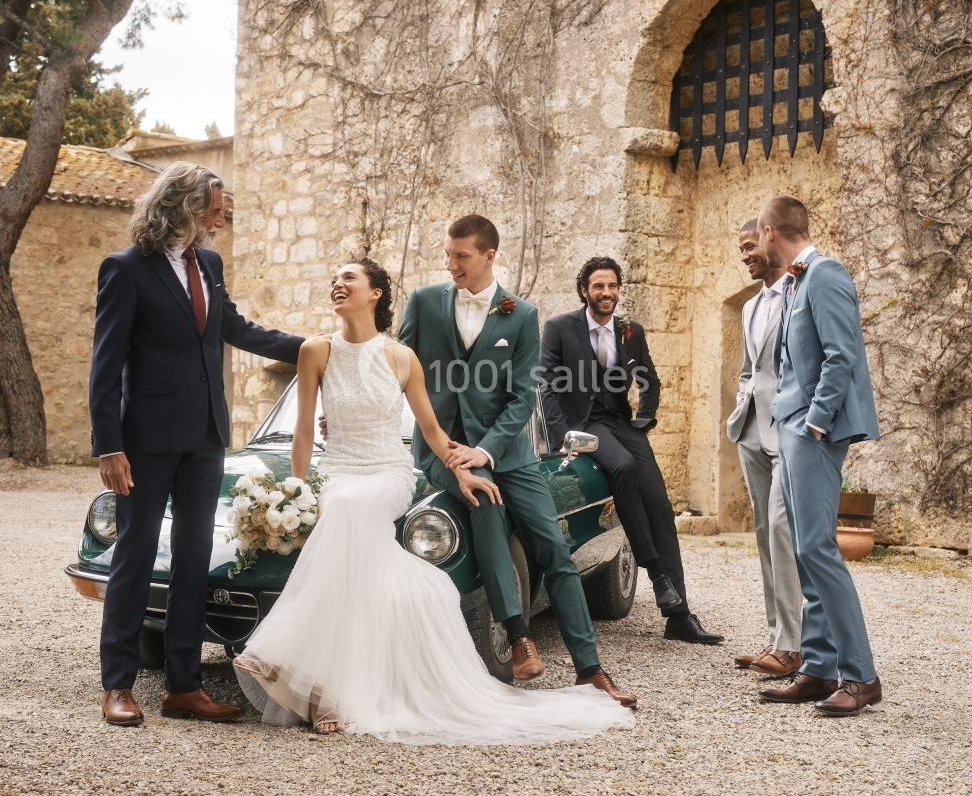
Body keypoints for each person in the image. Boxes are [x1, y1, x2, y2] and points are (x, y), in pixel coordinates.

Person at [233, 259, 635, 744]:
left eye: (349, 279)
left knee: (352, 510)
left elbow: (431, 430)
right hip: (338, 471)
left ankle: (304, 671)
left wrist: (465, 469)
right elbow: (301, 432)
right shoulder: (314, 351)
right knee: (348, 521)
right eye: (334, 279)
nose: (338, 284)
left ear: (376, 293)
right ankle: (322, 683)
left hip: (387, 472)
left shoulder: (402, 356)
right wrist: (295, 491)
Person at [89, 163, 305, 726]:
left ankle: (183, 687)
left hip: (207, 434)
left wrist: (312, 347)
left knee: (193, 560)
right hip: (145, 440)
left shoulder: (209, 263)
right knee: (134, 558)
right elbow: (105, 365)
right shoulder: (125, 270)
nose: (221, 216)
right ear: (181, 205)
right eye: (214, 206)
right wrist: (108, 445)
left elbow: (235, 328)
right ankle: (118, 684)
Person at [399, 214, 637, 708]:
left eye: (461, 256)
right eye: (447, 254)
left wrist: (486, 450)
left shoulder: (521, 314)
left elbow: (520, 398)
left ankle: (590, 670)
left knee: (553, 546)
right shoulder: (424, 303)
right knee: (484, 502)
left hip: (508, 452)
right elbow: (395, 369)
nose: (451, 264)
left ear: (489, 256)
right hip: (444, 448)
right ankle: (519, 633)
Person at [540, 256, 723, 645]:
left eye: (612, 286)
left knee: (658, 501)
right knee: (620, 467)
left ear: (619, 289)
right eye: (598, 287)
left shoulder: (630, 331)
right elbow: (548, 386)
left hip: (623, 424)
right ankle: (656, 574)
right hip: (585, 424)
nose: (606, 293)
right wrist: (562, 435)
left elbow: (649, 380)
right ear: (584, 291)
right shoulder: (559, 328)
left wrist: (646, 419)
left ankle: (679, 616)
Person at [754, 196, 883, 716]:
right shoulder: (798, 279)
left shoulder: (826, 275)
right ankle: (819, 666)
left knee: (819, 549)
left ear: (769, 231)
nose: (757, 242)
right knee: (806, 551)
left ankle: (862, 677)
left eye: (758, 234)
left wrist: (815, 422)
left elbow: (842, 354)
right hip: (789, 424)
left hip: (811, 431)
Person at [727, 220, 805, 676]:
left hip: (789, 427)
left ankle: (794, 645)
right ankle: (777, 637)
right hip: (751, 429)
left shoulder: (799, 292)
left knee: (781, 528)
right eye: (740, 248)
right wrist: (741, 406)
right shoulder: (750, 305)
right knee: (763, 532)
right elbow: (748, 367)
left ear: (771, 240)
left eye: (750, 246)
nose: (745, 255)